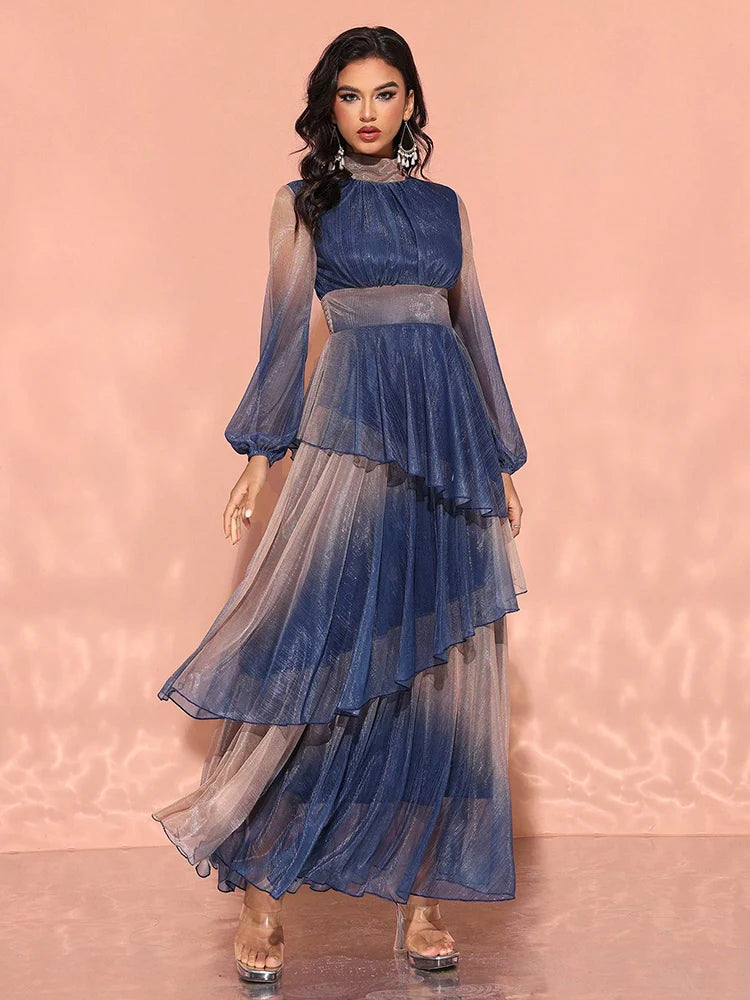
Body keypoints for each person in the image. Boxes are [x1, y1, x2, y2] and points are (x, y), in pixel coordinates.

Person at [151, 25, 528, 985]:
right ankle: (261, 894)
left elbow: (473, 328)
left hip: (446, 448)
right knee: (317, 648)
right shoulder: (303, 204)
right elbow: (284, 336)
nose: (368, 112)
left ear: (411, 103)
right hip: (352, 434)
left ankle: (425, 900)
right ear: (328, 104)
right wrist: (260, 457)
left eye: (386, 93)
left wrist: (500, 457)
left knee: (437, 670)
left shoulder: (445, 207)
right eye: (350, 95)